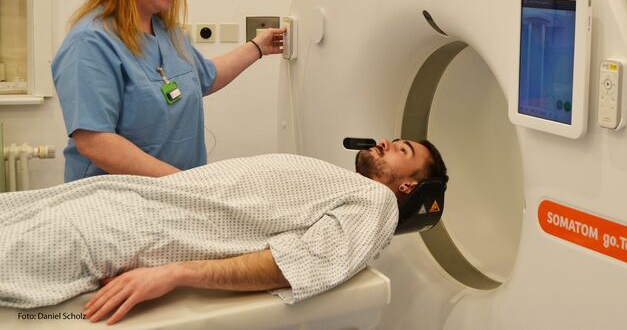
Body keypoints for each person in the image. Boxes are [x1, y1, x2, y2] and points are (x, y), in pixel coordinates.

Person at [0, 138, 448, 325]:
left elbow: (293, 265)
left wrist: (174, 274)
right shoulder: (346, 186)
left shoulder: (376, 203)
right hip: (113, 204)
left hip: (112, 233)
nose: (386, 142)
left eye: (402, 149)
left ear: (409, 186)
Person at [51, 0, 285, 181]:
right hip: (116, 199)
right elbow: (95, 141)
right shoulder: (91, 42)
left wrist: (257, 47)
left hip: (173, 192)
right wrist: (185, 185)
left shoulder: (167, 31)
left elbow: (203, 77)